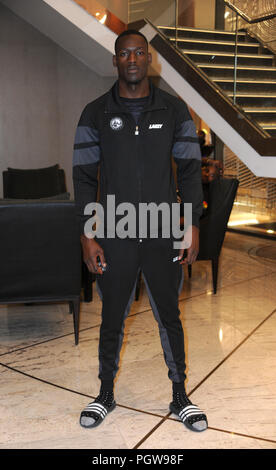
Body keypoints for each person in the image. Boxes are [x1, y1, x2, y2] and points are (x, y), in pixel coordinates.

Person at [73, 29, 208, 432]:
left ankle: (180, 394)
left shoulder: (174, 110)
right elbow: (82, 178)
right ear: (114, 61)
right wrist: (87, 234)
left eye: (139, 53)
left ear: (149, 59)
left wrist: (192, 224)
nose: (132, 59)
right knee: (112, 314)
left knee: (169, 314)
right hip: (114, 228)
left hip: (164, 227)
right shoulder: (94, 113)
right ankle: (105, 393)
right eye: (124, 53)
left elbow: (188, 172)